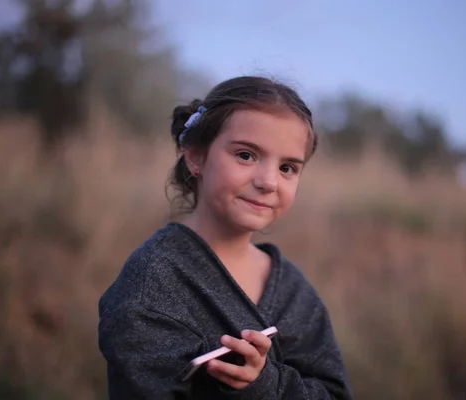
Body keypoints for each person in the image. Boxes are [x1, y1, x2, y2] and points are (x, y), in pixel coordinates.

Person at [97, 76, 354, 399]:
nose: (269, 182)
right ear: (195, 156)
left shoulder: (293, 290)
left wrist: (268, 384)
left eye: (288, 168)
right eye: (246, 155)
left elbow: (334, 392)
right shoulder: (152, 281)